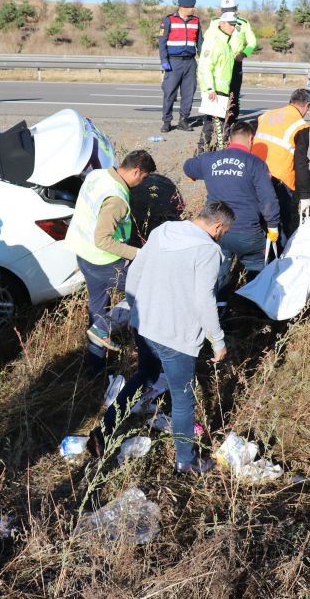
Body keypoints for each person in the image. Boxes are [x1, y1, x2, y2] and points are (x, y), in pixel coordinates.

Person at [88, 201, 234, 474]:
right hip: (175, 336)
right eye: (224, 231)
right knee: (182, 397)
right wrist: (218, 341)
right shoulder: (208, 251)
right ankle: (185, 460)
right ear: (217, 226)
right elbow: (205, 300)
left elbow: (135, 273)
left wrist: (134, 311)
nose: (222, 236)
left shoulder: (163, 231)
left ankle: (103, 432)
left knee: (143, 376)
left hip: (144, 326)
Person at [63, 150, 156, 374]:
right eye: (143, 178)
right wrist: (138, 253)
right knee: (145, 291)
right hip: (103, 261)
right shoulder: (116, 199)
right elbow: (103, 239)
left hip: (84, 255)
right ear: (136, 171)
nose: (141, 183)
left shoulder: (98, 175)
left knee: (97, 308)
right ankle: (106, 330)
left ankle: (95, 369)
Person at [184, 120, 281, 282]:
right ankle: (252, 303)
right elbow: (268, 199)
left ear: (229, 139)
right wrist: (273, 225)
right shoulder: (256, 164)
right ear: (251, 139)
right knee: (257, 268)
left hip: (216, 230)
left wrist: (195, 174)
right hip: (247, 232)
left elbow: (188, 166)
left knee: (218, 271)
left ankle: (219, 304)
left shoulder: (209, 159)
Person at [253, 89, 310, 241]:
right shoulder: (300, 125)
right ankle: (278, 260)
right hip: (279, 181)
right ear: (307, 105)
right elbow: (300, 162)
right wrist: (305, 194)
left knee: (257, 219)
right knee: (280, 224)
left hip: (254, 175)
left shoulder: (265, 116)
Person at [158, 0, 202, 133]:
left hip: (190, 62)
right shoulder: (168, 20)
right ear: (182, 7)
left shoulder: (195, 21)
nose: (193, 9)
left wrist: (204, 58)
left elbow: (200, 42)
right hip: (173, 62)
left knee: (188, 93)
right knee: (169, 93)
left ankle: (183, 120)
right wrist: (164, 61)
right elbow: (162, 42)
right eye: (191, 7)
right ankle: (166, 122)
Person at [196, 11, 238, 152]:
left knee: (216, 123)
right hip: (214, 90)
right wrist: (210, 88)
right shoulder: (213, 41)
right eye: (230, 24)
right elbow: (205, 66)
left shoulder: (226, 43)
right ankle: (202, 152)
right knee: (212, 124)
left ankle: (208, 151)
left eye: (235, 24)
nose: (233, 27)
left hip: (223, 90)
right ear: (221, 24)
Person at [218, 0, 258, 125]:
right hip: (221, 63)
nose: (228, 12)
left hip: (235, 62)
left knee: (234, 91)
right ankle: (218, 118)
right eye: (225, 10)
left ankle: (232, 119)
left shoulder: (243, 23)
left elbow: (252, 42)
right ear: (221, 10)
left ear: (236, 9)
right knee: (220, 91)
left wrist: (243, 54)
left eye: (231, 10)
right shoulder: (216, 22)